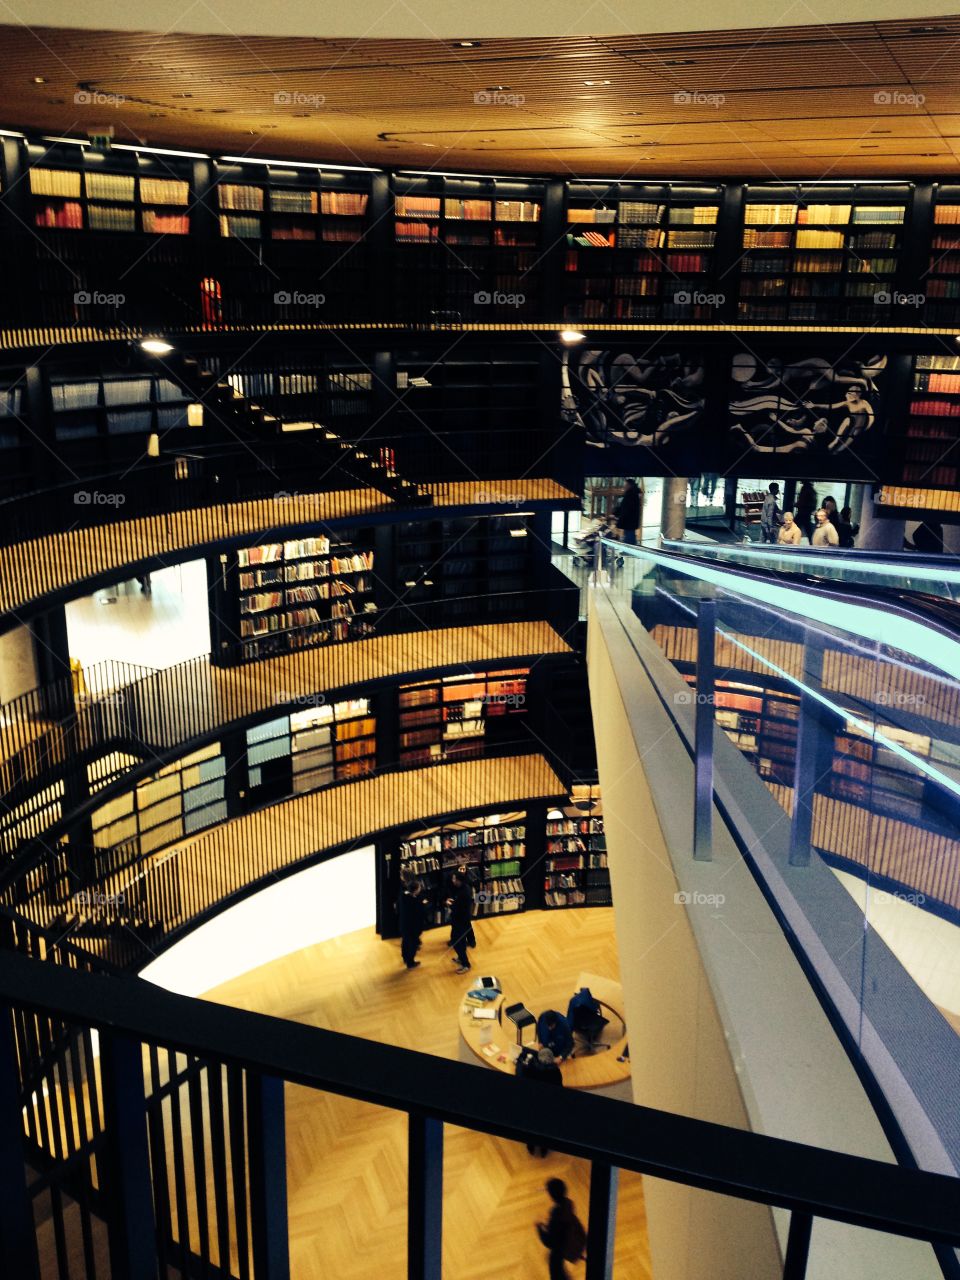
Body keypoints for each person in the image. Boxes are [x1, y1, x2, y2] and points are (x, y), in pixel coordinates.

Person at [516, 1046, 564, 1156]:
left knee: (531, 1125)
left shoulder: (531, 1067)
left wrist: (520, 1059)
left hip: (533, 1103)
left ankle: (531, 1147)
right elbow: (560, 1088)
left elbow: (519, 1074)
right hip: (548, 1105)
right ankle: (543, 1150)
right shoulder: (555, 1071)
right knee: (545, 1127)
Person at [536, 1179, 586, 1279]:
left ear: (551, 1194)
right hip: (568, 1241)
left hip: (560, 1248)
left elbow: (549, 1241)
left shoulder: (556, 1214)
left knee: (556, 1272)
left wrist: (540, 1229)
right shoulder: (568, 1204)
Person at [446, 871, 474, 974]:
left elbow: (458, 908)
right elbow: (458, 903)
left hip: (461, 920)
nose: (452, 880)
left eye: (454, 879)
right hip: (459, 920)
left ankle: (466, 964)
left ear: (459, 881)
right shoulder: (463, 888)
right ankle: (461, 958)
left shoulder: (464, 892)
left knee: (458, 942)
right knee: (456, 940)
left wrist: (449, 904)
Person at [398, 879, 425, 970]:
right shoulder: (416, 902)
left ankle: (405, 958)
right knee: (413, 945)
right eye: (419, 888)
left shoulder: (403, 896)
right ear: (415, 890)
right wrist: (423, 904)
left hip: (404, 925)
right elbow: (419, 913)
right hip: (413, 928)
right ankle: (410, 962)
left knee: (405, 942)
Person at [614, 478, 640, 546]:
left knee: (629, 539)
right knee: (629, 536)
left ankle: (629, 552)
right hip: (630, 523)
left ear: (629, 485)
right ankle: (629, 551)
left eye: (626, 485)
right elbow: (624, 508)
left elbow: (626, 510)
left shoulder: (630, 495)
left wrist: (619, 520)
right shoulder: (632, 494)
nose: (624, 486)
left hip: (629, 522)